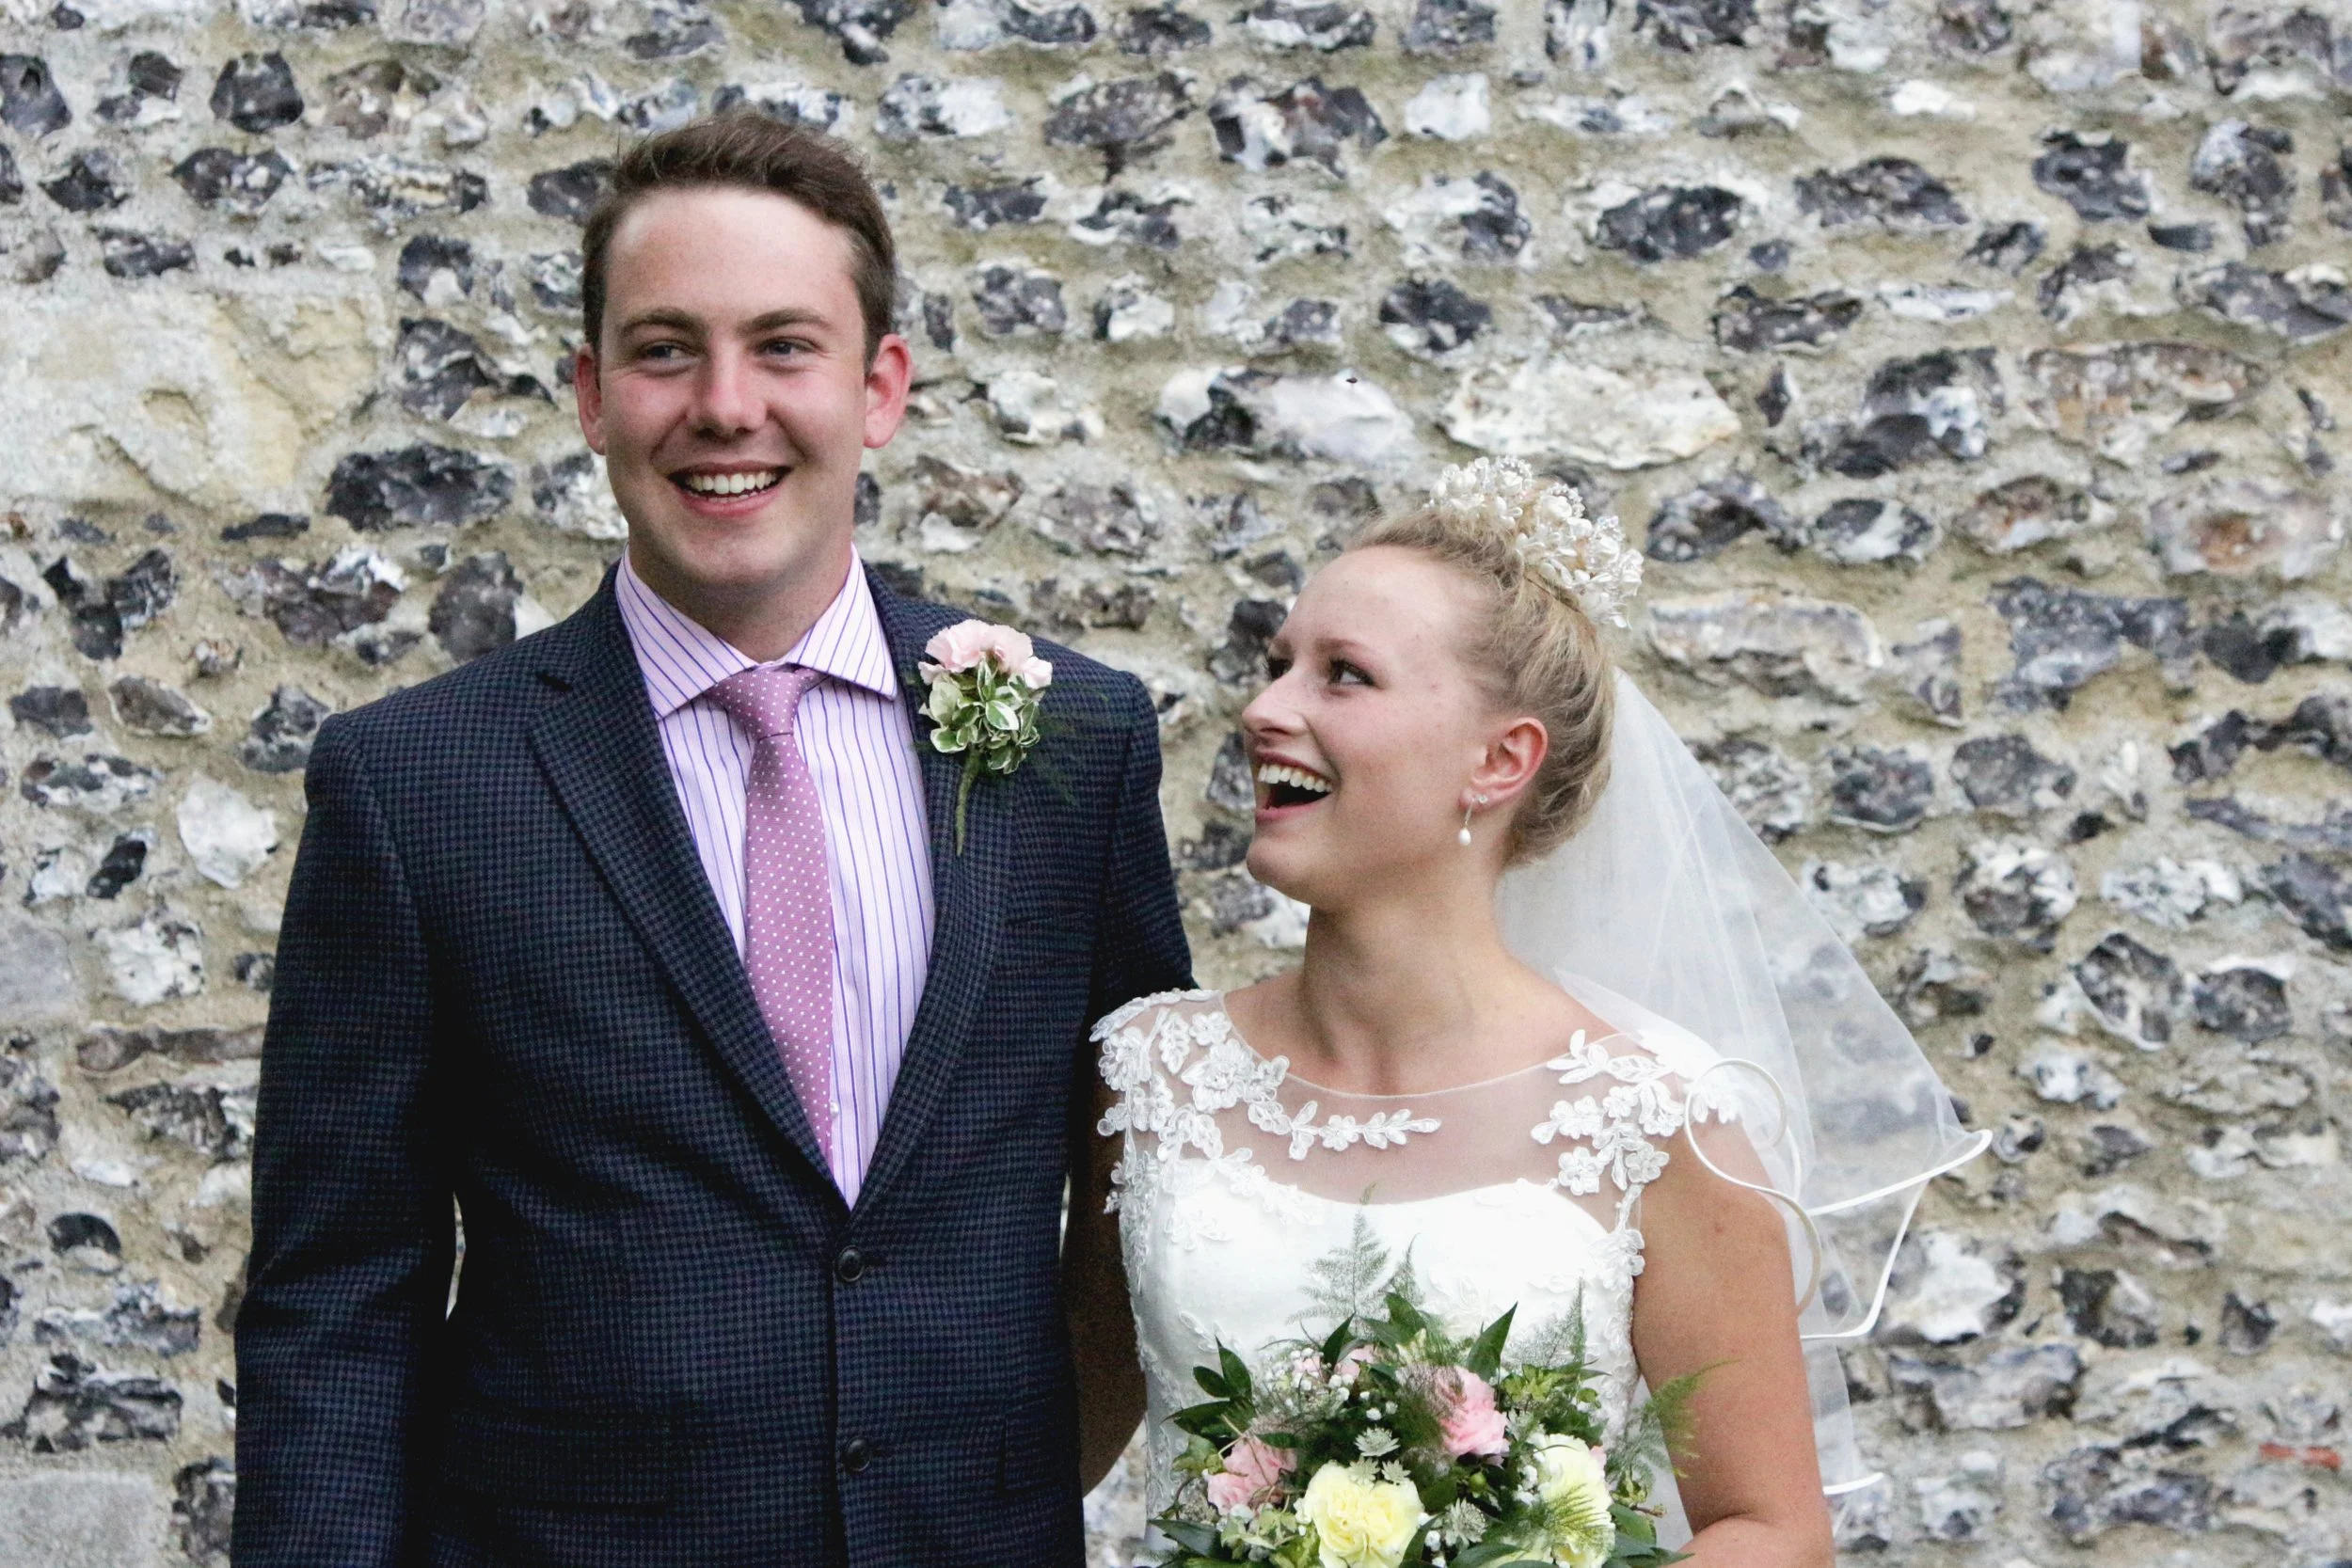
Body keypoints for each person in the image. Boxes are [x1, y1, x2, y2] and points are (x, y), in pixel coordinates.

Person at [232, 113, 1190, 1567]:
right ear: (592, 394)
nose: (724, 405)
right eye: (666, 349)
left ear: (881, 388)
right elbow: (337, 1301)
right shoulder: (414, 783)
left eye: (784, 347)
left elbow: (1141, 1190)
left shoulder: (1074, 745)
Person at [1073, 458, 1986, 1562]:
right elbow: (1048, 1440)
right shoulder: (1148, 1071)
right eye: (1278, 667)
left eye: (1342, 675)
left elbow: (1773, 1526)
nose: (1265, 709)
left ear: (1499, 759)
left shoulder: (1653, 1116)